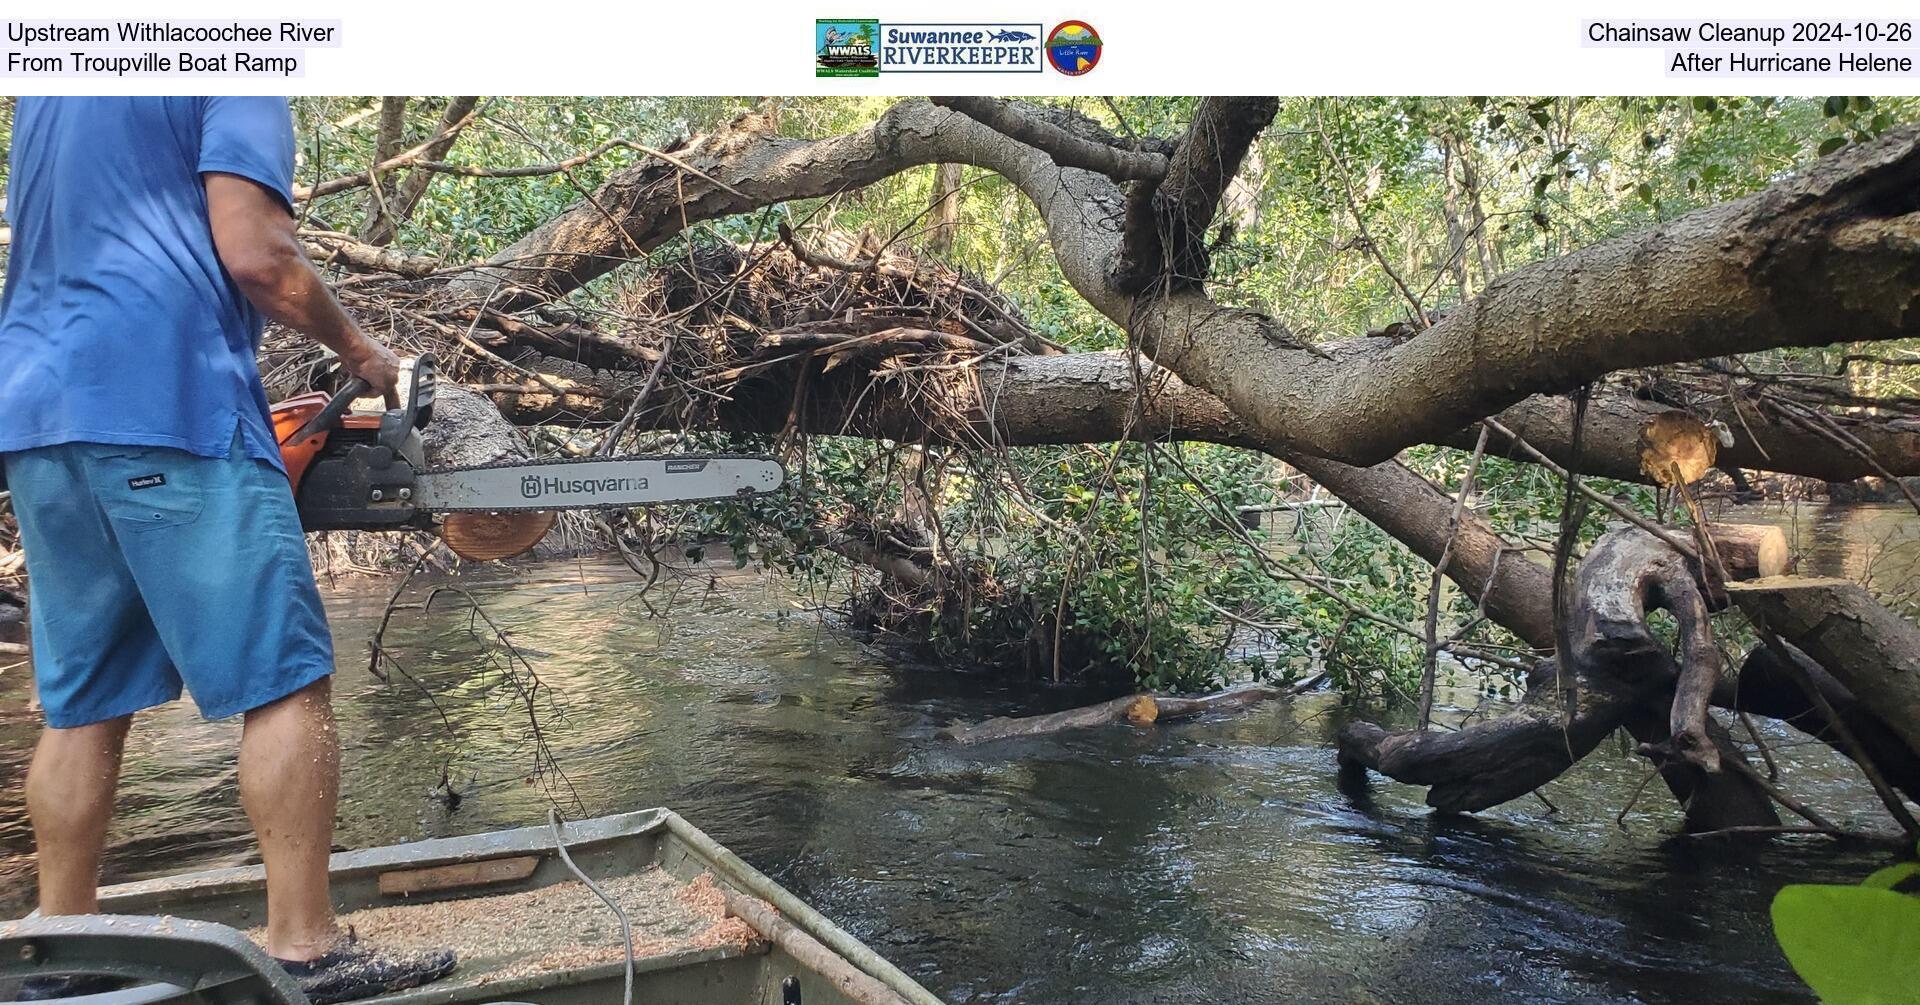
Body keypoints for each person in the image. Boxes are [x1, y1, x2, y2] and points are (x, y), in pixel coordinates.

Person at [0, 97, 456, 1002]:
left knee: (82, 700)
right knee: (285, 680)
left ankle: (62, 946)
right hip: (168, 401)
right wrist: (365, 354)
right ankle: (306, 948)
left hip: (39, 415)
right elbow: (257, 255)